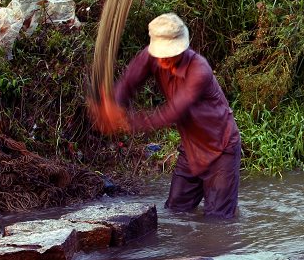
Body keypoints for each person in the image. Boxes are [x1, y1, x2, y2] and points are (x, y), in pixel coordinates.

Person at [90, 13, 241, 218]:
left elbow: (173, 112)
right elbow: (128, 83)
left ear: (183, 48)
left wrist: (126, 122)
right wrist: (113, 104)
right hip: (191, 150)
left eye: (171, 55)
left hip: (220, 149)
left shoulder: (199, 69)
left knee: (219, 222)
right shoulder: (150, 57)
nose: (165, 60)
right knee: (175, 212)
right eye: (161, 55)